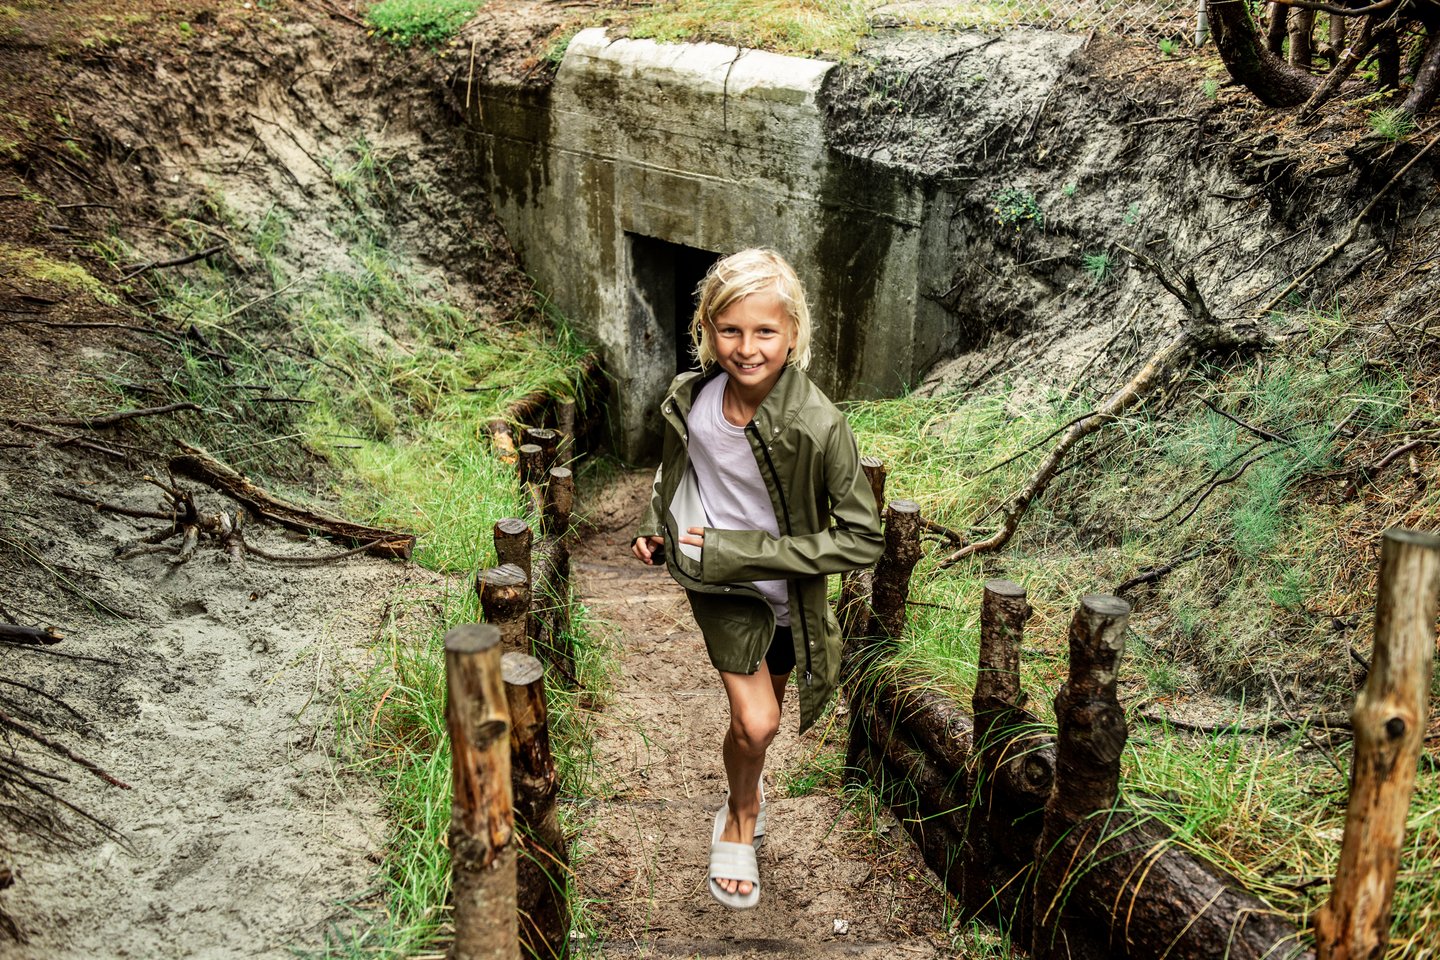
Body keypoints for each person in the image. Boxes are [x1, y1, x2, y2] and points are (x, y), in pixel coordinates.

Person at [631, 248, 883, 910]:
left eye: (764, 331)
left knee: (753, 729)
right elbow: (675, 473)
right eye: (730, 330)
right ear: (707, 330)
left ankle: (746, 788)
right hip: (719, 586)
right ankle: (740, 818)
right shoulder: (689, 399)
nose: (746, 348)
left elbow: (863, 537)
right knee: (760, 718)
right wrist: (659, 524)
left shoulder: (819, 427)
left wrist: (743, 552)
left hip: (787, 598)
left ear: (793, 333)